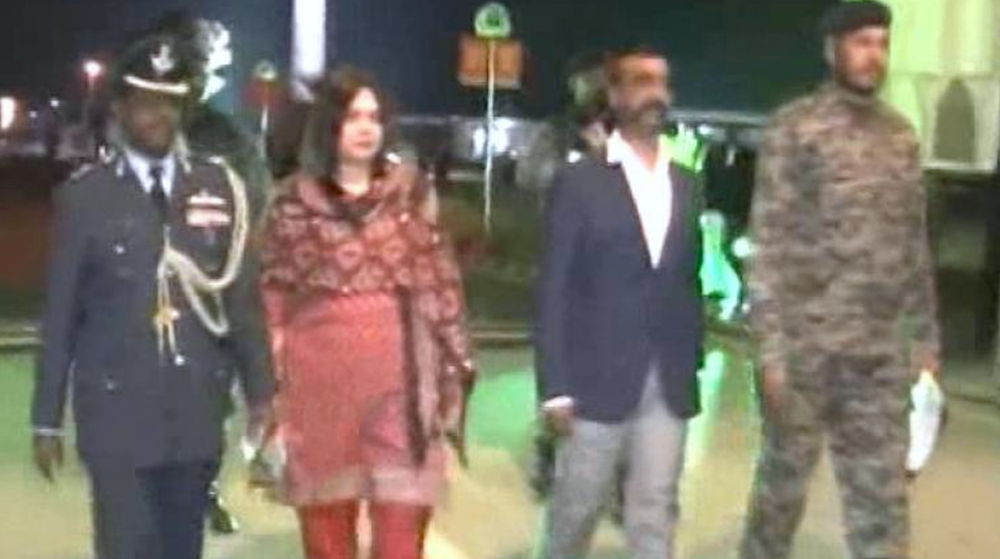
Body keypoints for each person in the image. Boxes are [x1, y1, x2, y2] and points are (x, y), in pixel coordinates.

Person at [30, 35, 275, 559]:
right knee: (125, 547)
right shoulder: (85, 197)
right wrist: (45, 418)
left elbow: (241, 304)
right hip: (115, 414)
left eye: (170, 102)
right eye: (145, 102)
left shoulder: (217, 187)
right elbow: (61, 316)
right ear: (120, 108)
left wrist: (262, 395)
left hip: (194, 413)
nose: (158, 115)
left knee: (181, 548)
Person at [739, 3, 941, 559]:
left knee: (882, 501)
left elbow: (914, 244)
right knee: (780, 494)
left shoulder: (900, 136)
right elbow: (769, 243)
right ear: (832, 51)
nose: (873, 55)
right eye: (861, 43)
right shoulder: (795, 128)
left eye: (881, 44)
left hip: (879, 357)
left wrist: (925, 341)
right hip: (806, 353)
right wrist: (771, 351)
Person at [259, 66, 475, 559]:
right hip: (318, 397)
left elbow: (441, 285)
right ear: (328, 126)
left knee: (401, 538)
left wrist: (453, 370)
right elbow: (272, 301)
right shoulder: (292, 205)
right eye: (352, 117)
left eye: (374, 118)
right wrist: (267, 394)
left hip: (401, 393)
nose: (365, 128)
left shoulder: (411, 195)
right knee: (327, 540)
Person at [535, 46, 704, 559]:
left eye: (662, 83)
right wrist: (555, 387)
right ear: (614, 95)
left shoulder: (687, 184)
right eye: (641, 81)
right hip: (594, 381)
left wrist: (692, 358)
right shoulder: (580, 182)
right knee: (577, 509)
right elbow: (554, 286)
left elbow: (687, 279)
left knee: (655, 509)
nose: (656, 93)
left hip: (668, 382)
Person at [516, 50, 611, 196]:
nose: (597, 90)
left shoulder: (629, 128)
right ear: (573, 85)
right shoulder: (557, 129)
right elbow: (529, 176)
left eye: (604, 83)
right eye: (589, 81)